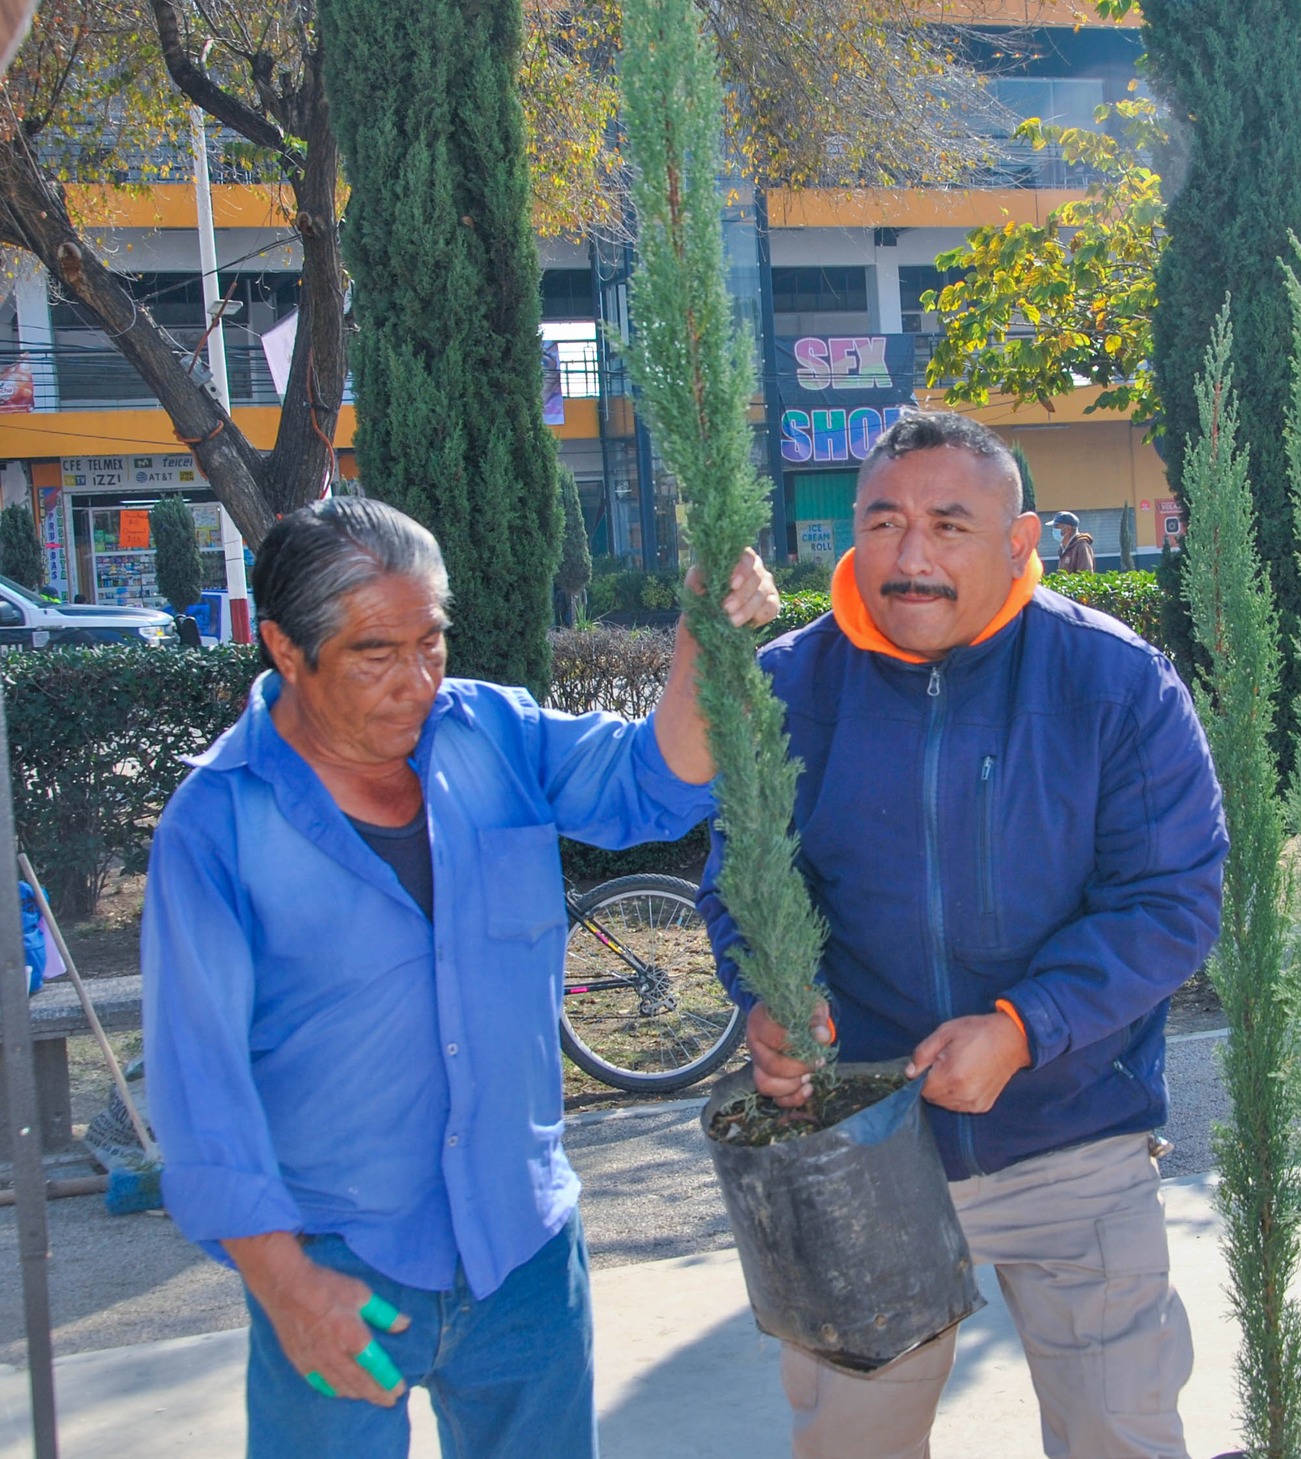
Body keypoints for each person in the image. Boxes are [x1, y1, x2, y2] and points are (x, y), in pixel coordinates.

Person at [141, 497, 778, 1459]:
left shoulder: (491, 734)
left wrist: (701, 631)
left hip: (521, 1256)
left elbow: (653, 782)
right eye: (374, 653)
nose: (417, 681)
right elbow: (201, 1089)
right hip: (340, 1268)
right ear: (283, 647)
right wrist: (287, 1288)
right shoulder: (218, 823)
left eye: (431, 642)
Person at [700, 411, 1226, 1459]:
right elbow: (743, 881)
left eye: (949, 525)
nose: (910, 555)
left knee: (1119, 1436)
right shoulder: (785, 687)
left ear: (1020, 540)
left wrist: (1024, 1028)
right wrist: (763, 991)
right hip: (857, 1146)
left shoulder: (1111, 681)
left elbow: (1171, 897)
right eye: (883, 522)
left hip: (1071, 1132)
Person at [1050, 508, 1096, 573]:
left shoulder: (1082, 547)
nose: (1053, 529)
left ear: (1067, 529)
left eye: (1056, 526)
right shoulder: (1063, 548)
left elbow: (1085, 575)